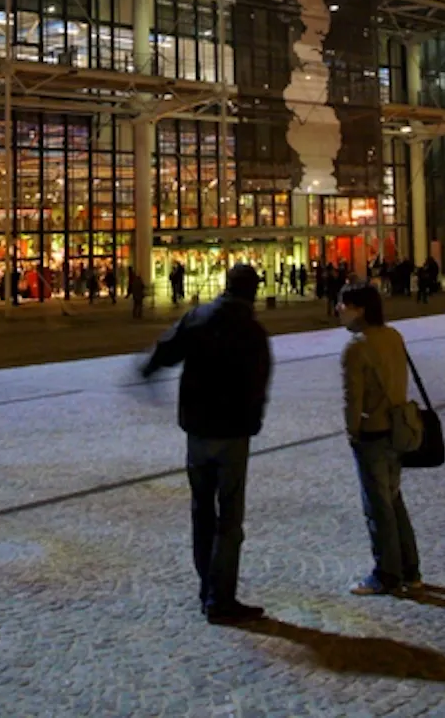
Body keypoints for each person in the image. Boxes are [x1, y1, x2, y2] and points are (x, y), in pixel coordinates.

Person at [141, 263, 271, 624]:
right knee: (229, 518)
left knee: (202, 511)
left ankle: (206, 588)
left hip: (198, 429)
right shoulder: (252, 331)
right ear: (253, 292)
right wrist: (253, 421)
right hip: (233, 433)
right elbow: (259, 382)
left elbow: (167, 350)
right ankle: (220, 598)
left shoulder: (198, 317)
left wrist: (149, 370)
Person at [338, 283, 421, 596]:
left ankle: (386, 574)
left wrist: (352, 431)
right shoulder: (393, 336)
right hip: (399, 427)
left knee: (378, 506)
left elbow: (353, 398)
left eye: (343, 305)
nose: (338, 310)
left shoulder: (356, 348)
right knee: (394, 500)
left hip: (372, 431)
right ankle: (411, 570)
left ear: (359, 309)